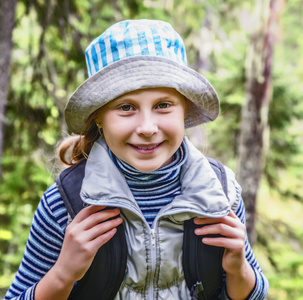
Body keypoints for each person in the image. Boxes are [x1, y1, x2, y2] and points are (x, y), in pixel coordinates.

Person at [4, 19, 269, 300]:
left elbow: (252, 292)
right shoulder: (65, 204)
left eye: (163, 105)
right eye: (126, 107)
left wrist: (238, 270)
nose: (146, 127)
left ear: (185, 110)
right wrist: (63, 274)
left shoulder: (220, 193)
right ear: (99, 118)